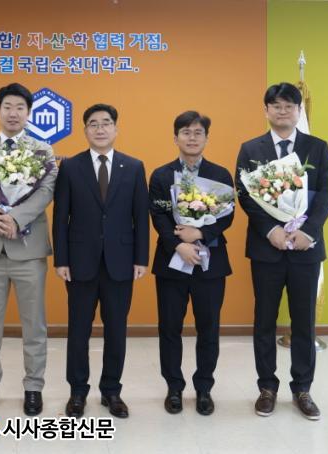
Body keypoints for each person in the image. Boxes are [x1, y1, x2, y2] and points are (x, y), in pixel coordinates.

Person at [236, 82, 328, 420]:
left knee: (304, 322)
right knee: (264, 320)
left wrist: (309, 231)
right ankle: (267, 388)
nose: (282, 111)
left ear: (298, 111)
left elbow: (326, 191)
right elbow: (245, 194)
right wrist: (271, 230)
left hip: (306, 249)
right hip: (267, 249)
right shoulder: (251, 148)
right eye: (276, 105)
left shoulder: (317, 147)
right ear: (266, 110)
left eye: (289, 106)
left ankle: (302, 389)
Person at [0, 82, 57, 416]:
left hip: (28, 250)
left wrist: (16, 218)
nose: (13, 113)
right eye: (7, 107)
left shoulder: (42, 150)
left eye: (20, 107)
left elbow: (46, 192)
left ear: (28, 113)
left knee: (34, 324)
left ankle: (34, 387)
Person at [52, 103, 149, 418]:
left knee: (116, 330)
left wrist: (141, 258)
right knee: (78, 330)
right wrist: (61, 259)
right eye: (93, 124)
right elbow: (60, 217)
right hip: (80, 262)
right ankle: (77, 392)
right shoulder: (70, 166)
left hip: (121, 262)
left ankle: (112, 391)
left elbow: (140, 217)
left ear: (116, 129)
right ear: (85, 131)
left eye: (106, 123)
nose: (100, 129)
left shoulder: (133, 167)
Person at [149, 111, 234, 416]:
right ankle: (174, 387)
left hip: (211, 265)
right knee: (170, 328)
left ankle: (204, 388)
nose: (192, 137)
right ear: (176, 138)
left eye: (198, 132)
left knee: (208, 328)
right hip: (172, 263)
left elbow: (227, 215)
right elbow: (158, 214)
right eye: (186, 132)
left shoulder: (220, 174)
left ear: (206, 138)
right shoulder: (161, 175)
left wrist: (200, 233)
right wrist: (179, 245)